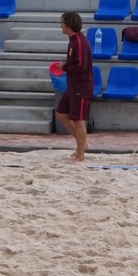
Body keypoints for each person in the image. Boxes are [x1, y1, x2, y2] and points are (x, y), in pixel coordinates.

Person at [54, 11, 94, 162]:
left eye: (62, 23)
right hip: (73, 86)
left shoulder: (80, 42)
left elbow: (80, 67)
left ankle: (80, 154)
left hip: (81, 87)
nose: (61, 26)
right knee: (61, 114)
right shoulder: (73, 40)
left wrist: (64, 67)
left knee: (78, 119)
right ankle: (82, 144)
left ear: (69, 24)